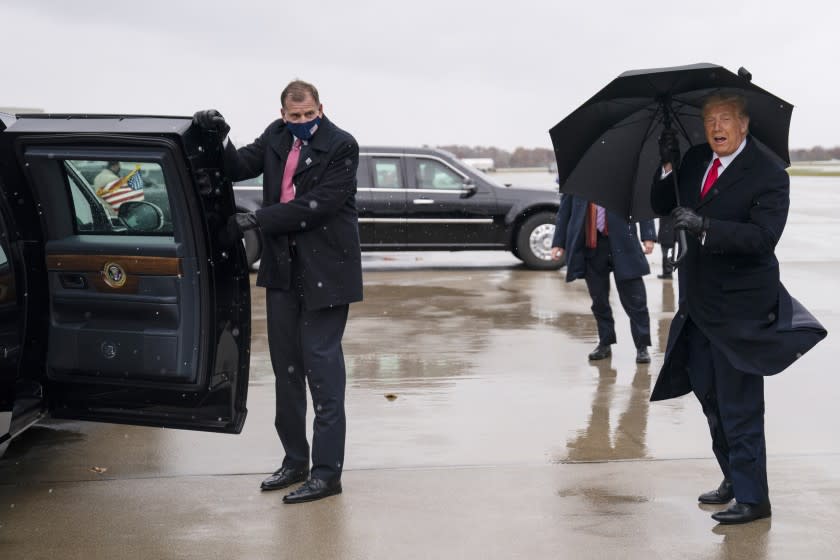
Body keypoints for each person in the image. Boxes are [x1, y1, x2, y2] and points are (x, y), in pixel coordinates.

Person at [651, 92, 827, 524]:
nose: (717, 127)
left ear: (744, 124)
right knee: (710, 398)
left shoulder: (768, 174)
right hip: (699, 305)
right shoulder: (694, 160)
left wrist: (706, 226)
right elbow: (661, 204)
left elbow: (762, 238)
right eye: (711, 119)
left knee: (740, 405)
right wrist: (668, 164)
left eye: (726, 118)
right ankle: (734, 477)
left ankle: (754, 498)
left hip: (742, 310)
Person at [193, 80, 362, 504]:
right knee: (287, 372)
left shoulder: (342, 146)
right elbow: (234, 167)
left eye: (309, 115)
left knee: (322, 374)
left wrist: (257, 220)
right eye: (294, 116)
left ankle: (327, 474)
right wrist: (216, 135)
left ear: (320, 108)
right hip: (283, 270)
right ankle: (294, 461)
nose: (302, 123)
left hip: (327, 270)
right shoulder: (276, 135)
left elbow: (321, 204)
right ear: (284, 114)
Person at [550, 195, 657, 363]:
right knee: (599, 300)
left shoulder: (623, 172)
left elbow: (641, 202)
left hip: (623, 244)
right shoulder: (577, 177)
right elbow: (565, 211)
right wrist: (558, 242)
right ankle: (605, 342)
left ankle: (642, 347)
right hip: (591, 246)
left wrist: (648, 235)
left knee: (636, 300)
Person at [656, 215, 675, 279]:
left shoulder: (665, 211)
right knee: (667, 255)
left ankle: (668, 273)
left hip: (668, 236)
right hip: (668, 235)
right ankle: (666, 273)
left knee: (667, 255)